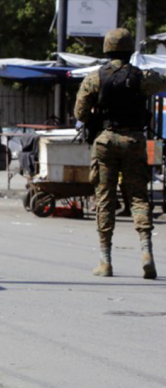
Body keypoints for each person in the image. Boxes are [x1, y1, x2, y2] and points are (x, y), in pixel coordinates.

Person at [74, 28, 166, 279]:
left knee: (105, 197)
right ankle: (147, 254)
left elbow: (80, 113)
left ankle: (105, 261)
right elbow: (162, 82)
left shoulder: (95, 78)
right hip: (134, 139)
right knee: (138, 196)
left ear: (107, 48)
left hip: (105, 142)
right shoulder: (141, 77)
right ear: (129, 49)